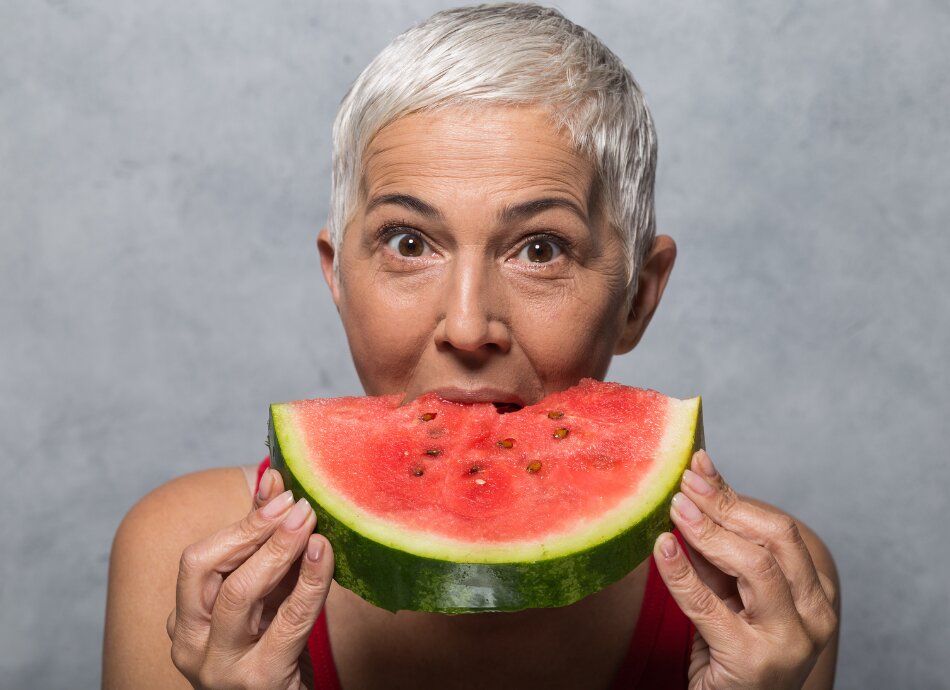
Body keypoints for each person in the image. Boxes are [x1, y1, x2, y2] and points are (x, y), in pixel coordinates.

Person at [103, 4, 840, 688]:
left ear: (639, 297)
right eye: (407, 241)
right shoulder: (186, 552)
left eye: (542, 250)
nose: (465, 325)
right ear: (339, 279)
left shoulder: (764, 602)